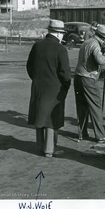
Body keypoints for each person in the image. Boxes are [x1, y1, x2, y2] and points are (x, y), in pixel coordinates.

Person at [27, 19, 71, 158]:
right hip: (55, 89)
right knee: (52, 119)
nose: (63, 36)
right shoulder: (60, 49)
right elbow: (65, 73)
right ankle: (50, 149)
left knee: (40, 116)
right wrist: (66, 85)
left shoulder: (37, 46)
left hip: (38, 87)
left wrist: (36, 79)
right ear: (58, 34)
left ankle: (40, 146)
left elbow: (29, 67)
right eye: (62, 33)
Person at [74, 24, 105, 142]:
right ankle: (100, 135)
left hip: (78, 76)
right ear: (103, 38)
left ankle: (82, 133)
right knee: (95, 106)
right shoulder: (95, 44)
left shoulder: (87, 42)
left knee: (82, 107)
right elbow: (100, 60)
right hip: (89, 78)